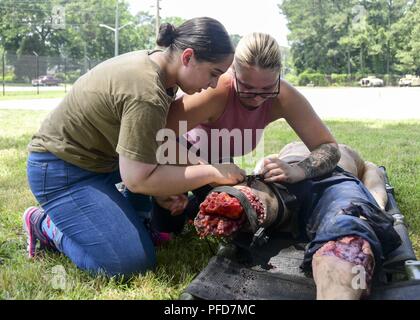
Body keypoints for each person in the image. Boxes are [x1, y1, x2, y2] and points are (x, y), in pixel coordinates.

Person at [23, 17, 246, 277]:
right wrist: (212, 173)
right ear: (188, 57)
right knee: (129, 265)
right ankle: (46, 226)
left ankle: (134, 222)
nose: (213, 84)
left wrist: (195, 168)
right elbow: (138, 179)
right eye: (214, 73)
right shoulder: (147, 92)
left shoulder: (162, 69)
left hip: (101, 161)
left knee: (174, 164)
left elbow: (156, 139)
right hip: (62, 171)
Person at [151, 32, 341, 232]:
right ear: (232, 71)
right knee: (167, 231)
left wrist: (299, 170)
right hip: (176, 153)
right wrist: (202, 172)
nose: (258, 99)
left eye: (267, 89)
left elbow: (329, 147)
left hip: (218, 160)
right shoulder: (216, 92)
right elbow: (156, 135)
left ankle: (192, 206)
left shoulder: (284, 96)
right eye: (247, 88)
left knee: (235, 215)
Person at [193, 142, 400, 299]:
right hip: (290, 177)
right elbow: (374, 180)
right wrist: (371, 206)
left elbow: (373, 179)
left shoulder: (344, 152)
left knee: (348, 240)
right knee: (239, 200)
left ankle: (340, 285)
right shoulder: (338, 151)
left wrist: (367, 208)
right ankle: (239, 205)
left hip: (329, 183)